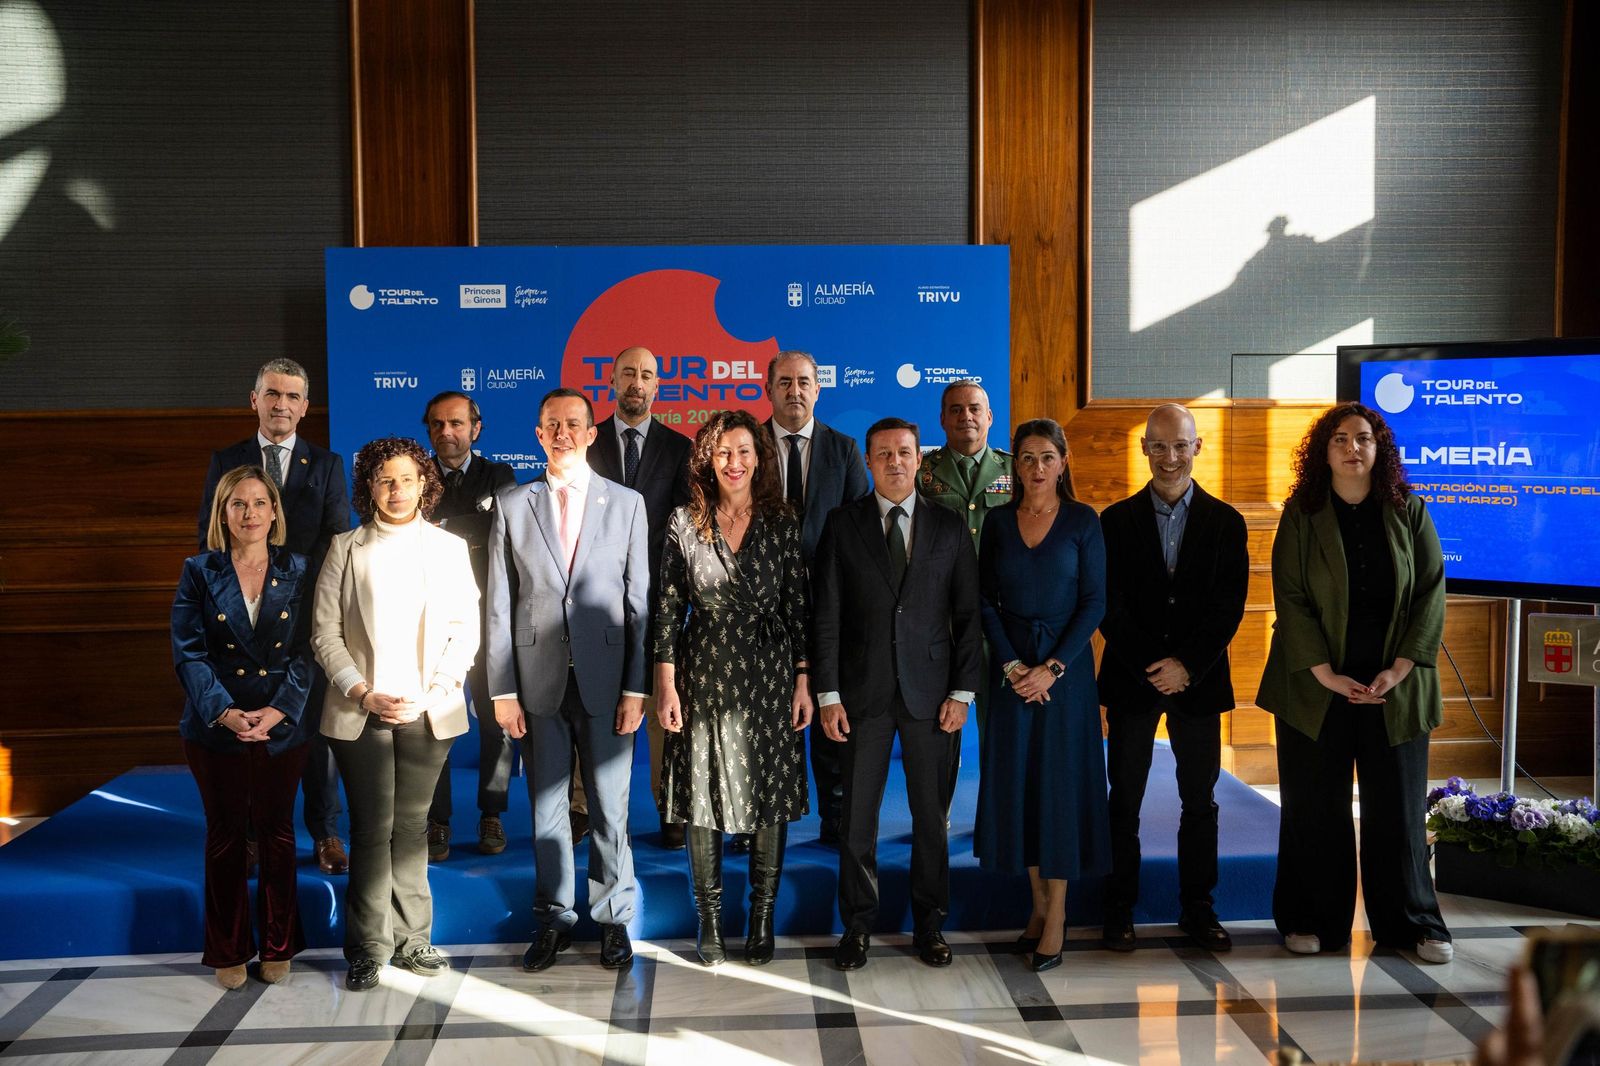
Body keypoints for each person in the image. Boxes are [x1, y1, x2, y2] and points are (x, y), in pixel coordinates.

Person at [1256, 402, 1452, 963]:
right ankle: (1312, 920)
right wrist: (1328, 674)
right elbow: (1289, 598)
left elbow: (1430, 592)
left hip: (1397, 688)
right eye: (1339, 439)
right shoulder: (1302, 513)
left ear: (1378, 448)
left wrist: (1399, 669)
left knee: (1398, 810)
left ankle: (1413, 924)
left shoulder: (1409, 511)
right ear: (1325, 451)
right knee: (1314, 809)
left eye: (1363, 438)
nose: (1351, 448)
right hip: (1316, 687)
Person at [486, 388, 650, 973]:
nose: (562, 433)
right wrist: (502, 691)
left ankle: (612, 921)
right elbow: (500, 605)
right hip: (538, 683)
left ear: (590, 433)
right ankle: (554, 919)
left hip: (610, 684)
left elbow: (640, 604)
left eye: (573, 424)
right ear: (538, 434)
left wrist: (638, 688)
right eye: (551, 423)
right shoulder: (511, 504)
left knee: (610, 806)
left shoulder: (628, 504)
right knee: (547, 810)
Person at [812, 417, 982, 971]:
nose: (894, 462)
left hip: (932, 697)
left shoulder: (950, 526)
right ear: (867, 461)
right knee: (857, 821)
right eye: (883, 454)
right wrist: (828, 694)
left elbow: (967, 616)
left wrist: (962, 691)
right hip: (860, 695)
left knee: (930, 820)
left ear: (919, 459)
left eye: (904, 452)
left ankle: (930, 925)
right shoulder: (843, 525)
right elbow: (828, 615)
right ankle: (857, 927)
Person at [311, 437, 479, 991]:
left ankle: (414, 941)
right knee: (371, 828)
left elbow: (464, 629)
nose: (397, 490)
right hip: (362, 709)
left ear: (423, 484)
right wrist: (361, 691)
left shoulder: (449, 548)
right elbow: (325, 634)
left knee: (412, 826)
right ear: (369, 487)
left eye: (407, 479)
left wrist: (435, 689)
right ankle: (366, 948)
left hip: (428, 708)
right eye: (385, 479)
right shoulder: (346, 547)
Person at [653, 410, 813, 966]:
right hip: (704, 669)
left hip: (770, 674)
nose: (734, 462)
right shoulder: (683, 522)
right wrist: (666, 684)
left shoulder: (782, 521)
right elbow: (669, 607)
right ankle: (711, 920)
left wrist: (803, 681)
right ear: (707, 459)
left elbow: (798, 608)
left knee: (768, 795)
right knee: (701, 796)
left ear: (759, 458)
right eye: (723, 452)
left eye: (744, 451)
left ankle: (762, 916)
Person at [1097, 404, 1249, 953]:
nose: (1169, 457)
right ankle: (1119, 909)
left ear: (1197, 447)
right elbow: (1108, 605)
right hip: (1133, 681)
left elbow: (1229, 606)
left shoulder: (1226, 522)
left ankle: (1199, 909)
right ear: (1144, 450)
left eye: (1180, 445)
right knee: (1125, 800)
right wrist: (1152, 665)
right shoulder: (1113, 522)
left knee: (1199, 801)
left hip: (1199, 683)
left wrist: (1187, 664)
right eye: (1158, 446)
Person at [199, 358, 352, 877]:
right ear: (255, 399)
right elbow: (209, 540)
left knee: (309, 731)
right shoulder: (227, 460)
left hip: (304, 618)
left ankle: (326, 832)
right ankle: (249, 836)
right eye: (272, 394)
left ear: (305, 407)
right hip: (240, 621)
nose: (281, 405)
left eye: (292, 397)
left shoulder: (327, 465)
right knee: (246, 731)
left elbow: (335, 544)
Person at [974, 418, 1108, 973]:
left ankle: (1058, 917)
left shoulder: (1083, 521)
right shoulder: (999, 524)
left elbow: (1095, 603)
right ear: (1014, 465)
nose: (1036, 468)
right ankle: (1036, 907)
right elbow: (984, 601)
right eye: (1026, 458)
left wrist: (1050, 668)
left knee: (1058, 791)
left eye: (1046, 457)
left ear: (1064, 461)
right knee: (1021, 791)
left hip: (1065, 678)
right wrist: (1011, 665)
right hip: (1010, 677)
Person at [173, 466, 314, 989]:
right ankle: (228, 948)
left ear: (274, 511)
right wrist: (225, 712)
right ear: (223, 514)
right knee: (227, 836)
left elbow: (310, 649)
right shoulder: (199, 570)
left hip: (282, 722)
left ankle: (279, 945)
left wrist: (278, 711)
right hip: (216, 726)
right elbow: (188, 653)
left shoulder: (299, 568)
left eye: (259, 503)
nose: (250, 513)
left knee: (278, 835)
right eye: (239, 504)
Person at [764, 349, 870, 850]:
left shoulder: (845, 450)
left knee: (829, 702)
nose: (795, 391)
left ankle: (836, 814)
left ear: (818, 388)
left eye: (804, 381)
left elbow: (858, 528)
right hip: (760, 605)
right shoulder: (750, 446)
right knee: (765, 713)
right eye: (785, 382)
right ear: (769, 389)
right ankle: (760, 816)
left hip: (829, 601)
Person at [589, 346, 693, 850]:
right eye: (627, 371)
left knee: (659, 703)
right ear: (611, 380)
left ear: (658, 386)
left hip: (656, 594)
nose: (637, 381)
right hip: (593, 596)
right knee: (593, 698)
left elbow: (685, 527)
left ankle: (669, 806)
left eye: (647, 374)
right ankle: (584, 806)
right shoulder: (587, 442)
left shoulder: (680, 448)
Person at [418, 391, 518, 862]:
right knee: (437, 722)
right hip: (431, 620)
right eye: (437, 425)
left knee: (496, 722)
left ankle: (491, 812)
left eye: (456, 424)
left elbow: (502, 533)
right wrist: (471, 524)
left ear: (475, 428)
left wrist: (440, 527)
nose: (446, 433)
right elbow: (414, 535)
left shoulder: (499, 476)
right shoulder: (414, 475)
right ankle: (437, 821)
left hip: (489, 615)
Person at [916, 378, 1013, 808]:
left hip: (999, 619)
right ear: (942, 419)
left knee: (1000, 727)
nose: (965, 416)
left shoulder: (1016, 471)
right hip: (943, 622)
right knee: (942, 729)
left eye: (974, 408)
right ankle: (939, 816)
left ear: (989, 417)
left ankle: (998, 817)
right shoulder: (922, 471)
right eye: (955, 409)